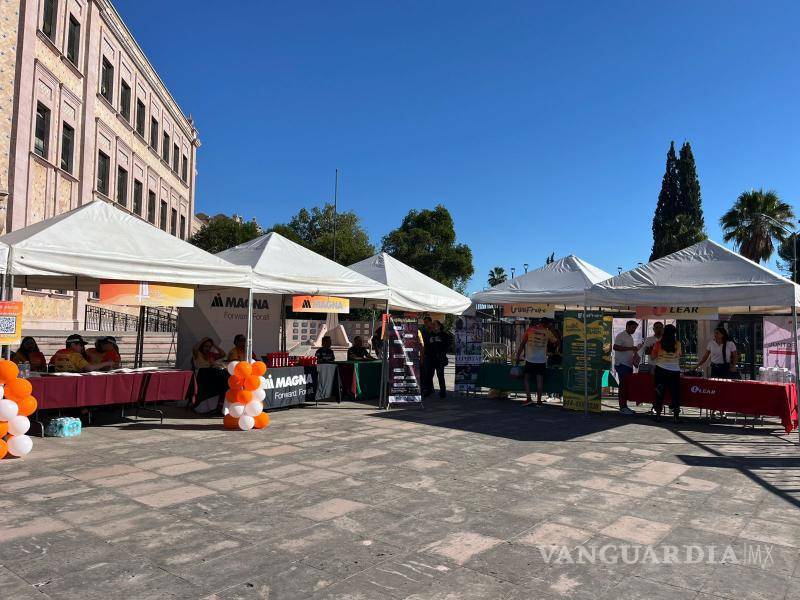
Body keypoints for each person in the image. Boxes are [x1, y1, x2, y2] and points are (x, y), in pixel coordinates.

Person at [515, 318, 558, 406]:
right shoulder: (547, 332)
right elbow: (556, 342)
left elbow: (522, 344)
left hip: (530, 359)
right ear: (547, 325)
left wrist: (518, 355)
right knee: (540, 380)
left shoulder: (530, 330)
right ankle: (539, 401)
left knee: (526, 378)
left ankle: (528, 399)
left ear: (539, 323)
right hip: (541, 360)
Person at [651, 324, 682, 423]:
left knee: (660, 393)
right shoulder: (678, 344)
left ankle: (658, 416)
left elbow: (652, 357)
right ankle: (676, 417)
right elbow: (679, 356)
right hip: (674, 371)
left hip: (661, 370)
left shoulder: (658, 343)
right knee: (675, 394)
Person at [192, 337, 228, 414]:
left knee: (223, 376)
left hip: (211, 373)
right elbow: (195, 348)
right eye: (206, 346)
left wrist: (214, 345)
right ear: (201, 346)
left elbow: (223, 354)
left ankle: (219, 405)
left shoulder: (210, 354)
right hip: (201, 375)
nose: (207, 348)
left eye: (209, 346)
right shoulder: (197, 353)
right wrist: (202, 340)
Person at [613, 321, 640, 415]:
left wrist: (635, 352)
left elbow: (629, 351)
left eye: (635, 328)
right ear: (627, 326)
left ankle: (624, 406)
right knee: (623, 387)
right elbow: (615, 347)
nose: (634, 330)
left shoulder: (630, 337)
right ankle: (622, 407)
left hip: (628, 365)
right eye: (633, 327)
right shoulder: (621, 335)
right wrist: (631, 348)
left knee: (626, 387)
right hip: (621, 365)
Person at [50, 334, 114, 373]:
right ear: (72, 345)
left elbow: (50, 366)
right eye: (81, 345)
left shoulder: (58, 353)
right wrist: (107, 363)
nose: (82, 347)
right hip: (72, 382)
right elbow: (89, 368)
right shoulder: (75, 355)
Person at [423, 320, 452, 398]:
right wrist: (430, 342)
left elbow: (448, 345)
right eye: (432, 324)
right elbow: (426, 346)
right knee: (429, 376)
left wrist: (440, 342)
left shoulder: (444, 335)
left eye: (435, 324)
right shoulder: (430, 334)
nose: (433, 326)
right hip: (431, 358)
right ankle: (429, 390)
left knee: (440, 376)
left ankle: (443, 392)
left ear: (439, 326)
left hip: (440, 359)